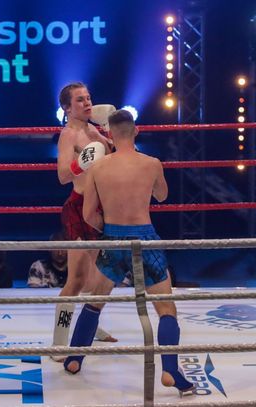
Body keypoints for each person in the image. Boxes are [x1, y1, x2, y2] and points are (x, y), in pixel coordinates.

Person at [63, 109, 194, 395]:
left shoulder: (98, 168)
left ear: (109, 134)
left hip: (113, 238)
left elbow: (88, 215)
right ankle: (170, 370)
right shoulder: (152, 163)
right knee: (166, 308)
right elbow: (162, 196)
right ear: (136, 131)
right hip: (145, 238)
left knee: (95, 301)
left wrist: (110, 229)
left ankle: (74, 358)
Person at [52, 82, 117, 357]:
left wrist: (112, 133)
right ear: (67, 108)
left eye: (89, 97)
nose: (87, 102)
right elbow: (62, 176)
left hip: (102, 207)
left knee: (100, 278)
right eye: (80, 99)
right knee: (76, 280)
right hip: (80, 208)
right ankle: (59, 339)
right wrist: (82, 161)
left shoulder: (95, 130)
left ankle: (91, 325)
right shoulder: (68, 135)